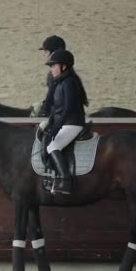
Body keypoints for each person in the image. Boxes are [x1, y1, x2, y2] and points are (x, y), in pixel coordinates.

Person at [44, 49, 88, 194]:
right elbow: (55, 108)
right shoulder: (59, 83)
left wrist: (56, 128)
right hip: (65, 122)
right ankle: (52, 177)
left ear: (64, 66)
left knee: (53, 146)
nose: (51, 69)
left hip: (72, 123)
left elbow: (68, 108)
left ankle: (66, 182)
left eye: (53, 66)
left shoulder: (69, 82)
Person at [37, 35, 66, 117]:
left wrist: (44, 111)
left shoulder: (56, 73)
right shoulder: (68, 68)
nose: (45, 55)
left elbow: (52, 95)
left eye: (46, 52)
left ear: (53, 53)